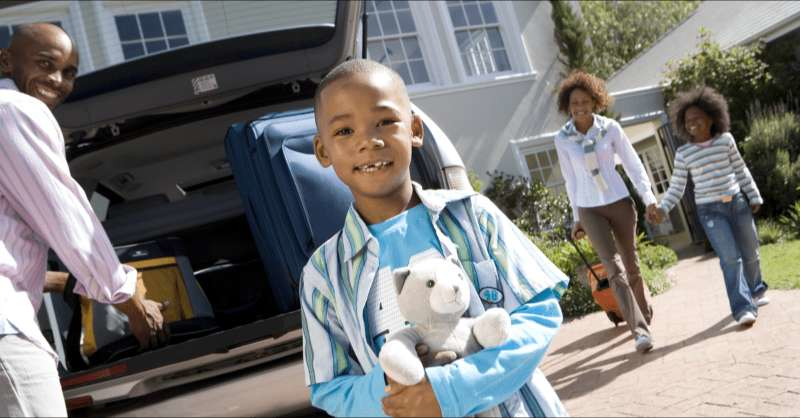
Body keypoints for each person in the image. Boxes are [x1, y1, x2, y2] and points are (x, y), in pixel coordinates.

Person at [300, 58, 570, 417]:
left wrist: (451, 389)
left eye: (384, 121)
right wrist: (397, 393)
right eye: (344, 132)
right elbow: (329, 386)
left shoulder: (474, 216)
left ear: (414, 128)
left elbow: (540, 312)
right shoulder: (322, 275)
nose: (368, 141)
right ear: (322, 151)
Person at [0, 23, 166, 417]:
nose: (57, 80)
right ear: (5, 60)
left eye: (69, 72)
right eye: (45, 64)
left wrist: (75, 285)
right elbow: (68, 220)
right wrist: (128, 299)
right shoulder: (16, 111)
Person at [554, 70, 657, 353]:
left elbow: (633, 165)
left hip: (619, 202)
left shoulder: (610, 129)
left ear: (595, 101)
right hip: (589, 209)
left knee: (631, 264)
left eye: (585, 101)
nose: (580, 107)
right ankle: (640, 331)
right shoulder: (562, 139)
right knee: (614, 268)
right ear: (568, 105)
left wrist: (648, 198)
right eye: (574, 102)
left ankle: (643, 314)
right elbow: (570, 180)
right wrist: (576, 218)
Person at [649, 86, 768, 326]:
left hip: (737, 202)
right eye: (688, 120)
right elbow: (677, 186)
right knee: (730, 259)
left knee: (751, 251)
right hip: (710, 210)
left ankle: (756, 289)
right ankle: (743, 308)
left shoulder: (726, 141)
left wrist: (753, 196)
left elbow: (740, 169)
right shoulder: (684, 154)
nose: (693, 123)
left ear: (712, 117)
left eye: (697, 118)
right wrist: (663, 208)